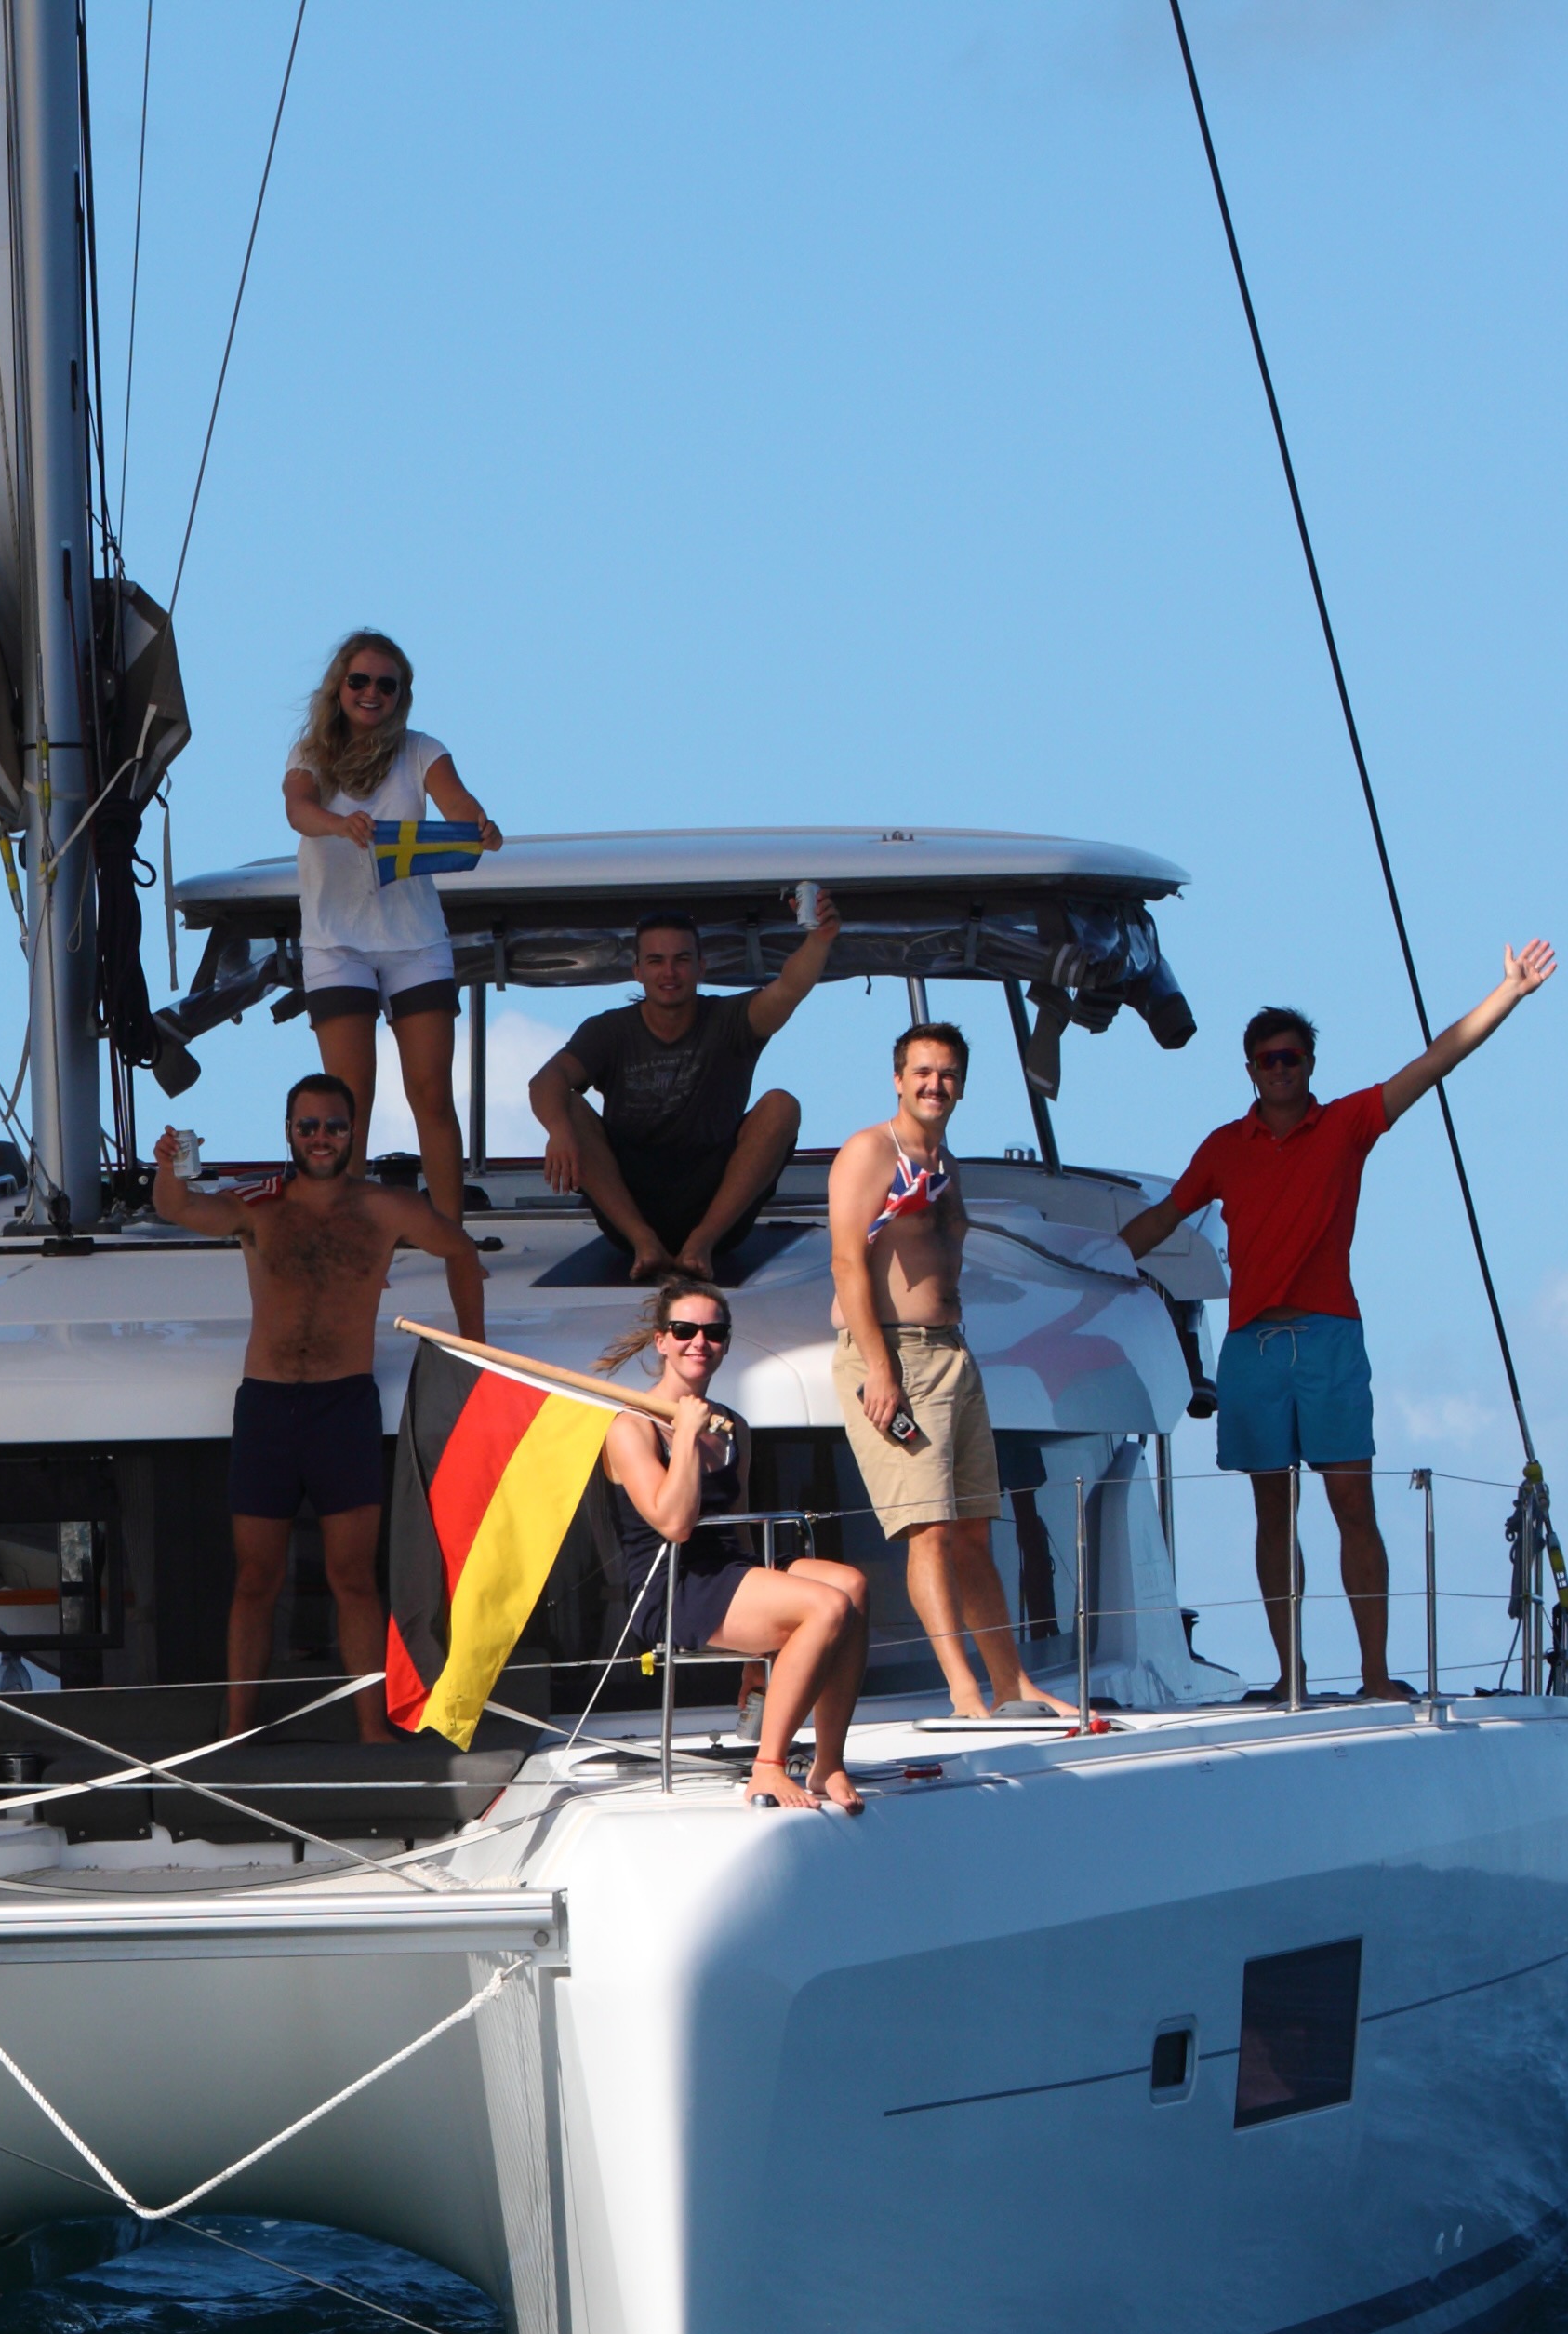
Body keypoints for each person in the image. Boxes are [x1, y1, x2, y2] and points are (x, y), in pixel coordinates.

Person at [1122, 941, 1558, 1704]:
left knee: (1351, 1503)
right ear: (1248, 1069)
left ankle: (1372, 1674)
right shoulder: (1225, 1147)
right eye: (1266, 1060)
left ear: (1309, 1063)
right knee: (1270, 1513)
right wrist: (1086, 1261)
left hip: (1327, 1337)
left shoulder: (1346, 1124)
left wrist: (1508, 995)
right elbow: (1162, 1217)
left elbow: (1434, 1062)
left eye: (1290, 1057)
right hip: (1253, 1346)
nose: (1279, 1069)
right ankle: (1289, 1676)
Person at [153, 1072, 488, 1740]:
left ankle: (372, 1731)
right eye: (307, 1126)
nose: (321, 1137)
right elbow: (180, 1210)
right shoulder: (260, 1205)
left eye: (333, 1125)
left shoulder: (385, 1208)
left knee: (352, 1576)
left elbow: (460, 1249)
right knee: (254, 1577)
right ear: (288, 1132)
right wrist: (166, 1169)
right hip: (267, 1407)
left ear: (352, 1132)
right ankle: (236, 1728)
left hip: (343, 1405)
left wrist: (474, 1350)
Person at [831, 1020, 1064, 1724]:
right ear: (897, 1078)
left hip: (951, 1356)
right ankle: (965, 1693)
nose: (935, 1085)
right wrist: (880, 1369)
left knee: (971, 1530)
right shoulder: (870, 1151)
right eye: (922, 1072)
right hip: (892, 1358)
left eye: (948, 1074)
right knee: (926, 1528)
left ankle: (1010, 1683)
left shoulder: (944, 1160)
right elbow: (846, 1262)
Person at [597, 1270, 875, 1811]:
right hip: (675, 1586)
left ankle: (827, 1762)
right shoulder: (631, 1427)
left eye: (714, 1332)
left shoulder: (731, 1426)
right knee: (825, 1606)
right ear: (662, 1341)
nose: (699, 1342)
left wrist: (763, 1644)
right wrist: (683, 1439)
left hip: (732, 1570)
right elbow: (674, 1523)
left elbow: (740, 1527)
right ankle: (768, 1767)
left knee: (853, 1586)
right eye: (684, 1330)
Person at [281, 629, 505, 1195]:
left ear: (401, 694)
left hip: (414, 941)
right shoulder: (310, 753)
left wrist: (477, 826)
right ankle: (352, 1239)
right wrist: (340, 825)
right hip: (336, 942)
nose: (371, 692)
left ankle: (453, 1239)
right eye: (359, 681)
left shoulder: (422, 749)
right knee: (347, 1099)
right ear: (339, 687)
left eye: (387, 683)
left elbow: (457, 802)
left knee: (431, 1093)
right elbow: (298, 808)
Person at [530, 893, 839, 1280]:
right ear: (638, 971)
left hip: (718, 1208)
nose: (669, 972)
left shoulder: (731, 1020)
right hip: (630, 1207)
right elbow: (546, 1079)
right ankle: (645, 1243)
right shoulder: (608, 1030)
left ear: (701, 967)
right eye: (656, 961)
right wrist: (558, 1131)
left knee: (782, 1105)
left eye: (681, 960)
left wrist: (819, 939)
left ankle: (700, 1245)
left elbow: (790, 988)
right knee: (568, 1105)